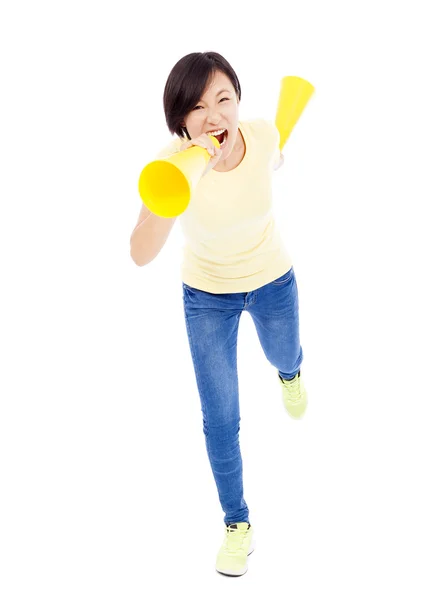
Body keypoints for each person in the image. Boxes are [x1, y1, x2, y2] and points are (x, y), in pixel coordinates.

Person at [130, 51, 308, 577]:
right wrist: (178, 189)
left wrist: (276, 153)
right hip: (207, 296)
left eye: (223, 99)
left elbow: (275, 151)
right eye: (198, 106)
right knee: (221, 418)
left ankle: (291, 374)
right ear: (181, 121)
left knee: (285, 353)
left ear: (238, 104)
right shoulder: (172, 164)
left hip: (273, 278)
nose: (214, 116)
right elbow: (140, 254)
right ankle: (237, 524)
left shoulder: (259, 134)